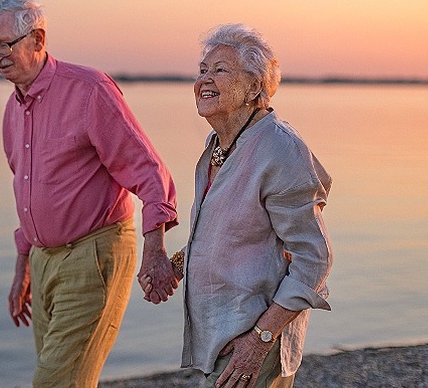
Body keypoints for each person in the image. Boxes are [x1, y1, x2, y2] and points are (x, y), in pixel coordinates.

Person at [0, 0, 180, 387]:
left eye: (4, 44)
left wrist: (154, 248)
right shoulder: (13, 110)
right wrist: (23, 265)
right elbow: (27, 192)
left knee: (55, 382)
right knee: (68, 378)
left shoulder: (89, 90)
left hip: (93, 255)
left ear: (37, 39)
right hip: (43, 261)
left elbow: (148, 170)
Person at [140, 23, 333, 388]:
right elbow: (225, 235)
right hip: (221, 334)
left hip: (252, 337)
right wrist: (174, 266)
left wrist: (259, 340)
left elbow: (314, 260)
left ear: (254, 87)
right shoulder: (219, 146)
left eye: (220, 70)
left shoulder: (280, 151)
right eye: (202, 71)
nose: (204, 80)